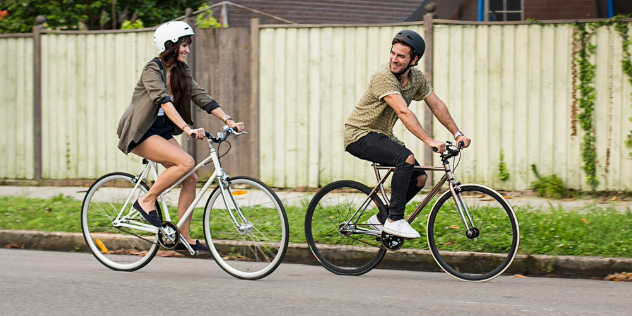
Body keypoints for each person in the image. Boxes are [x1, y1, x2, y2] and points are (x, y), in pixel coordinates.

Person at [117, 21, 244, 252]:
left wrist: (228, 120)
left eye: (187, 45)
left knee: (190, 177)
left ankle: (182, 237)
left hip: (160, 130)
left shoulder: (180, 71)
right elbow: (162, 100)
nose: (186, 50)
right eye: (183, 45)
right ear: (169, 45)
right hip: (140, 131)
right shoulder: (152, 69)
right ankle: (146, 201)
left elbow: (201, 96)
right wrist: (186, 129)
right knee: (186, 162)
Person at [344, 29, 471, 239]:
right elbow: (403, 111)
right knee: (406, 158)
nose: (394, 59)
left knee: (420, 178)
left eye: (401, 56)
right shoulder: (383, 77)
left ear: (414, 60)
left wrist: (457, 133)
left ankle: (381, 219)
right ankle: (394, 220)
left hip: (382, 134)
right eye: (393, 53)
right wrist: (429, 140)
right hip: (359, 134)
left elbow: (437, 105)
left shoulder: (416, 78)